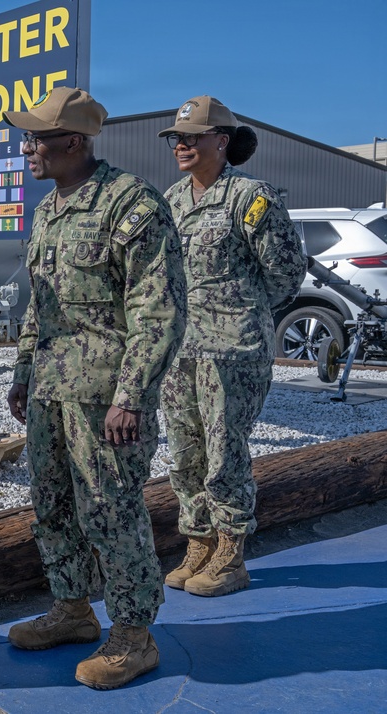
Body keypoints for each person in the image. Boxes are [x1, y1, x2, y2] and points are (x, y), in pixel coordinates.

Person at [3, 87, 187, 690]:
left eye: (36, 138)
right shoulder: (49, 210)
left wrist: (131, 396)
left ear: (74, 143)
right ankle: (73, 610)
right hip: (54, 393)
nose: (27, 148)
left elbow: (157, 312)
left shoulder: (130, 205)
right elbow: (40, 309)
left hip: (105, 398)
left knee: (111, 513)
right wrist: (23, 375)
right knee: (53, 509)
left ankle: (135, 636)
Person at [156, 96, 307, 597]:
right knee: (184, 455)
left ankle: (230, 552)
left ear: (221, 141)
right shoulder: (173, 200)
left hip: (233, 353)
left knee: (225, 455)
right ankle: (197, 541)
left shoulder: (250, 197)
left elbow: (286, 272)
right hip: (181, 351)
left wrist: (240, 310)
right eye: (177, 138)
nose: (181, 145)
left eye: (192, 137)